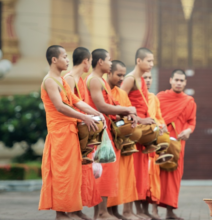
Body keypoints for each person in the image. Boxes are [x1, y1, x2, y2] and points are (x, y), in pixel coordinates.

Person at [38, 45, 103, 220]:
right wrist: (85, 118)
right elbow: (60, 106)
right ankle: (61, 213)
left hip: (70, 132)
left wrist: (96, 113)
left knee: (73, 173)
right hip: (59, 133)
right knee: (62, 173)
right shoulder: (49, 81)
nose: (67, 60)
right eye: (64, 57)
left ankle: (72, 210)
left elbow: (77, 101)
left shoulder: (62, 81)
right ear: (54, 59)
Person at [84, 49, 137, 220]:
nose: (110, 63)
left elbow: (112, 106)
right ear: (100, 62)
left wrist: (126, 114)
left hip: (106, 132)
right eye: (108, 60)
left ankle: (100, 213)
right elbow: (102, 107)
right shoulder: (94, 80)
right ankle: (101, 212)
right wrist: (127, 109)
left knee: (105, 171)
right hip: (98, 134)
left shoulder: (101, 81)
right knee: (102, 171)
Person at [63, 47, 101, 220]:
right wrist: (84, 119)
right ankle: (70, 210)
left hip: (83, 130)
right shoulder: (69, 79)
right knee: (72, 172)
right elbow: (68, 106)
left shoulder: (81, 80)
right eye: (90, 60)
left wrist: (95, 115)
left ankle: (77, 208)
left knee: (83, 172)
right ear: (86, 61)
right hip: (72, 130)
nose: (90, 63)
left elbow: (81, 104)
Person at [121, 48, 156, 220]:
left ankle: (133, 211)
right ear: (138, 61)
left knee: (139, 173)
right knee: (130, 172)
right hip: (132, 131)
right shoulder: (129, 79)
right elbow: (119, 103)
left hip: (141, 133)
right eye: (149, 61)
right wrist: (140, 121)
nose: (152, 64)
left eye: (152, 61)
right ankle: (126, 211)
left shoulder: (141, 80)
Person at [157, 69, 196, 220]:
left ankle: (169, 211)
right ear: (170, 80)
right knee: (157, 174)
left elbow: (191, 122)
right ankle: (153, 211)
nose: (179, 83)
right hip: (161, 141)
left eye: (182, 81)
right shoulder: (160, 97)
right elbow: (153, 116)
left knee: (174, 176)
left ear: (185, 83)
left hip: (178, 143)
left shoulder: (189, 101)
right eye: (176, 80)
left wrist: (188, 131)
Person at [105, 60, 141, 220]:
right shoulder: (102, 89)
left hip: (121, 139)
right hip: (107, 137)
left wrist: (133, 117)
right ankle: (106, 212)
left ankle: (118, 211)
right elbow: (102, 108)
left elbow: (128, 112)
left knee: (121, 176)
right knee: (108, 174)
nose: (121, 78)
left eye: (123, 75)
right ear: (108, 72)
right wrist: (123, 114)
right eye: (118, 75)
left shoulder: (121, 93)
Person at [142, 71, 167, 220]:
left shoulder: (153, 98)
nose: (148, 80)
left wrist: (162, 125)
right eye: (145, 78)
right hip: (142, 143)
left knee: (155, 178)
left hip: (154, 143)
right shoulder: (135, 96)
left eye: (150, 77)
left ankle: (155, 211)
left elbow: (159, 117)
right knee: (142, 178)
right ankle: (142, 210)